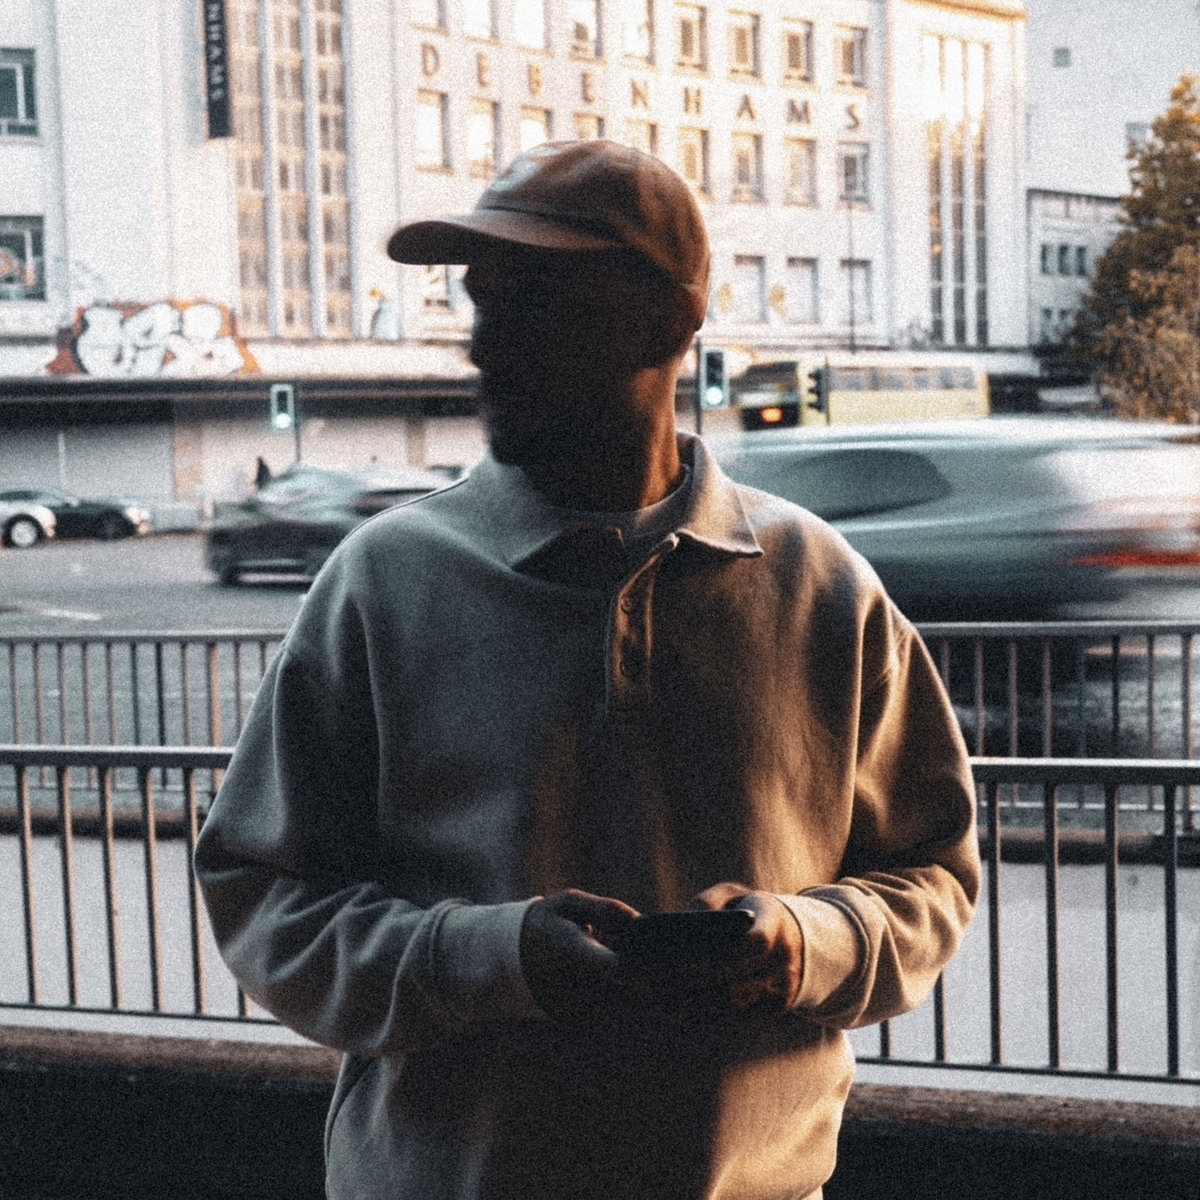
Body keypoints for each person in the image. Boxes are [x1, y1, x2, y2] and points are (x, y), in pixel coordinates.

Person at [195, 140, 980, 1200]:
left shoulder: (821, 589)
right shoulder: (383, 584)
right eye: (480, 302)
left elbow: (935, 876)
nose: (483, 346)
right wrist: (497, 958)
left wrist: (805, 942)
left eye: (536, 304)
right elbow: (262, 896)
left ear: (670, 322)